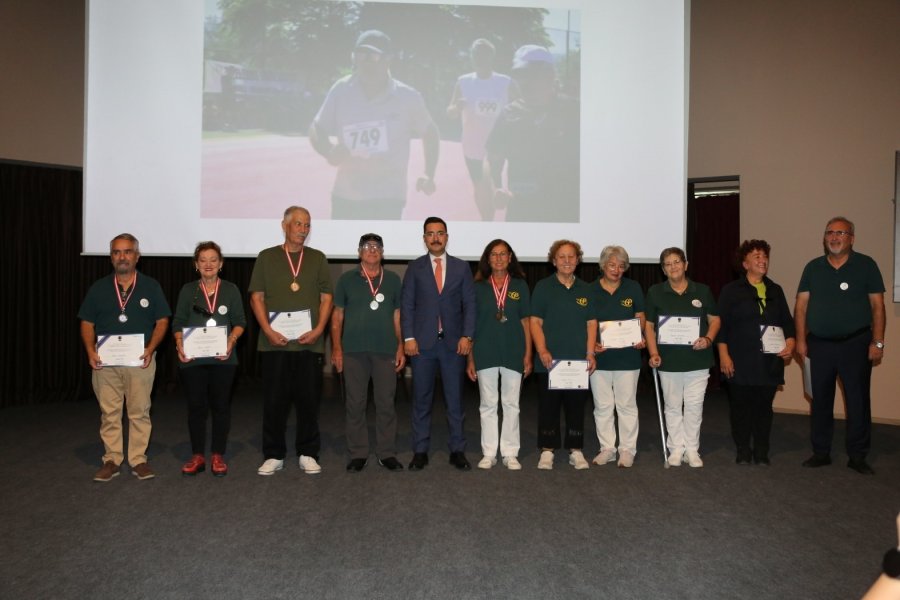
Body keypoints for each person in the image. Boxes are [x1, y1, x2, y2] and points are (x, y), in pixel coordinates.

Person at [309, 29, 440, 220]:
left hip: (388, 197)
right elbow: (317, 127)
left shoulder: (407, 96)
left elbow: (430, 132)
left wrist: (429, 174)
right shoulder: (341, 89)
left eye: (374, 55)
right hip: (346, 194)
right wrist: (328, 150)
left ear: (389, 59)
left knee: (379, 249)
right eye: (361, 54)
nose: (367, 61)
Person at [794, 216, 885, 475]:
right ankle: (821, 452)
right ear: (824, 238)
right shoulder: (813, 267)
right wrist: (801, 340)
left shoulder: (866, 266)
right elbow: (800, 307)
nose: (834, 237)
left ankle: (857, 455)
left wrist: (877, 342)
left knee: (857, 401)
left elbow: (878, 307)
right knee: (820, 400)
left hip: (856, 344)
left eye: (841, 233)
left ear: (852, 239)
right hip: (818, 346)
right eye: (830, 233)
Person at [78, 233, 170, 482]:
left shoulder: (151, 286)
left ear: (137, 257)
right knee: (109, 413)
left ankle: (138, 460)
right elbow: (87, 322)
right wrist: (90, 351)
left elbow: (162, 321)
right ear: (111, 258)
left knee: (139, 411)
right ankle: (112, 459)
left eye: (127, 251)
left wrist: (151, 348)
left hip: (140, 360)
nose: (122, 256)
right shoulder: (98, 288)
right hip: (105, 363)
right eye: (117, 252)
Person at [249, 206, 333, 476]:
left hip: (309, 344)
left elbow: (326, 298)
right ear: (284, 225)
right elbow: (257, 298)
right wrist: (269, 331)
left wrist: (319, 329)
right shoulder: (267, 257)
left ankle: (308, 452)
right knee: (274, 402)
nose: (303, 229)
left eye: (307, 225)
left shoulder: (318, 258)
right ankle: (274, 454)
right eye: (297, 224)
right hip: (275, 344)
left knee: (309, 401)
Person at [401, 217, 476, 471]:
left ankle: (458, 450)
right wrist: (408, 338)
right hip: (422, 346)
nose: (435, 237)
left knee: (455, 402)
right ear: (424, 238)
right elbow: (407, 305)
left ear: (447, 237)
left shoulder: (461, 267)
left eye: (440, 233)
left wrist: (467, 336)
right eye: (430, 233)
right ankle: (420, 451)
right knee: (421, 401)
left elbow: (470, 305)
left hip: (454, 346)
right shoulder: (415, 268)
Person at [331, 233, 406, 473]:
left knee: (386, 403)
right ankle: (358, 453)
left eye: (377, 247)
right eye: (367, 246)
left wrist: (401, 345)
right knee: (355, 404)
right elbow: (337, 317)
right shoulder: (346, 280)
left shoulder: (393, 280)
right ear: (359, 251)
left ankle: (386, 453)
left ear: (382, 252)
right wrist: (337, 348)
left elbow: (398, 316)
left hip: (385, 351)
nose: (372, 250)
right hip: (353, 351)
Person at [716, 240, 795, 466]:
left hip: (768, 362)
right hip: (739, 360)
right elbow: (721, 326)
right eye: (757, 256)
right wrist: (723, 355)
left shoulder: (775, 290)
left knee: (763, 409)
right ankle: (743, 449)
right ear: (745, 263)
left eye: (765, 256)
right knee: (740, 409)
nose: (763, 260)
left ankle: (761, 451)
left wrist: (790, 344)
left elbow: (787, 323)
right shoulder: (730, 291)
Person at [172, 241, 247, 477]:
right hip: (193, 359)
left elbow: (240, 322)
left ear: (221, 264)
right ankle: (197, 455)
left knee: (221, 407)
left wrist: (231, 341)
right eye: (203, 260)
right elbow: (178, 322)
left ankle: (217, 454)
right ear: (196, 264)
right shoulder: (187, 290)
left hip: (223, 359)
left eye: (213, 260)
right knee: (196, 407)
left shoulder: (231, 290)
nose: (208, 264)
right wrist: (179, 343)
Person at [485, 44, 579, 223]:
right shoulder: (508, 115)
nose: (527, 82)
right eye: (521, 75)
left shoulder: (574, 111)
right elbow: (492, 157)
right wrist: (496, 186)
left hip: (568, 211)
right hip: (522, 211)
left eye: (535, 75)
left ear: (550, 75)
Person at [645, 247, 720, 468]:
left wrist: (707, 339)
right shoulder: (655, 292)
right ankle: (675, 448)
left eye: (677, 262)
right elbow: (648, 326)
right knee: (672, 406)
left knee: (694, 406)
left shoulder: (702, 291)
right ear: (663, 270)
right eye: (668, 264)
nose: (673, 266)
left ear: (686, 265)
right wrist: (653, 353)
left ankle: (692, 449)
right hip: (668, 361)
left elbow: (715, 320)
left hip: (698, 361)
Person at [530, 240, 597, 470]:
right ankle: (547, 450)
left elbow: (591, 324)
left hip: (578, 362)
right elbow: (535, 322)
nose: (567, 261)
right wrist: (542, 350)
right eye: (562, 257)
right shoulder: (542, 287)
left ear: (578, 260)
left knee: (576, 407)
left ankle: (575, 450)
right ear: (554, 261)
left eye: (571, 256)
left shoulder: (587, 289)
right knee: (548, 406)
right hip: (550, 362)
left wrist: (590, 353)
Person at [466, 239, 532, 470]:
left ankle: (510, 452)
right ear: (487, 258)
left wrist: (528, 354)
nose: (499, 258)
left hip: (514, 351)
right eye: (494, 254)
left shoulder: (520, 286)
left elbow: (526, 322)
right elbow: (471, 325)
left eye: (503, 254)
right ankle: (489, 452)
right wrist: (470, 358)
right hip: (485, 351)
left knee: (512, 403)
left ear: (510, 258)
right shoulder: (477, 286)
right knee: (488, 404)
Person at [446, 39, 518, 221]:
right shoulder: (463, 82)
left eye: (484, 55)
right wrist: (457, 108)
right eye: (476, 55)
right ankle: (488, 217)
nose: (480, 59)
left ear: (491, 57)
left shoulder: (505, 82)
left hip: (498, 144)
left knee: (493, 181)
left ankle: (498, 196)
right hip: (472, 144)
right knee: (479, 186)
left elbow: (520, 106)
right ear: (472, 57)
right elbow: (450, 112)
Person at [589, 246, 646, 468]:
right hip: (600, 359)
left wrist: (640, 336)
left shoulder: (633, 288)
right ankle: (607, 448)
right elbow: (587, 322)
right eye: (612, 265)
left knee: (627, 405)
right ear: (603, 266)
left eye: (621, 266)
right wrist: (592, 344)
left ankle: (627, 449)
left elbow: (640, 317)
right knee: (602, 405)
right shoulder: (590, 290)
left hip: (628, 358)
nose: (617, 269)